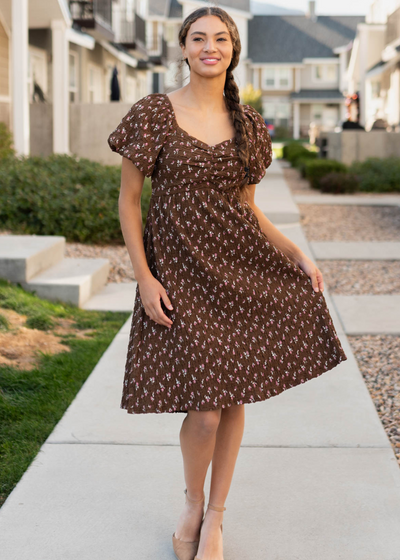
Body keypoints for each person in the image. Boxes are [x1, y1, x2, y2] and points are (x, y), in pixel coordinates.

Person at [107, 7, 347, 560]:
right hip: (182, 278)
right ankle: (192, 503)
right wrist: (144, 277)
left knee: (234, 395)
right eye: (198, 38)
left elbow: (250, 210)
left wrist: (296, 254)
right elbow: (128, 203)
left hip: (240, 273)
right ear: (184, 49)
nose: (209, 46)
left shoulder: (247, 124)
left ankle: (216, 517)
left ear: (233, 49)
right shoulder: (154, 114)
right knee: (206, 406)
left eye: (220, 38)